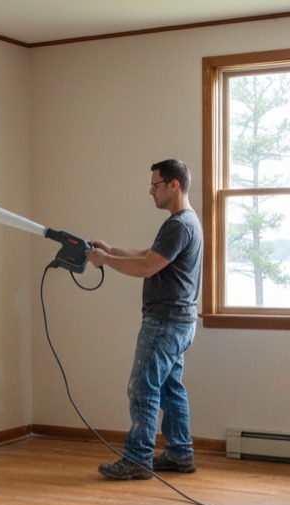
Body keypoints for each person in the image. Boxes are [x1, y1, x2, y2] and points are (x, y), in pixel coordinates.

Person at [84, 159, 203, 480]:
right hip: (180, 321)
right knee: (169, 388)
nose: (151, 191)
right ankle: (180, 454)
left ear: (174, 185)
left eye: (156, 185)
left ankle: (137, 459)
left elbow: (147, 268)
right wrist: (111, 249)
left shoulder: (179, 225)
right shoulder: (185, 222)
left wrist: (104, 260)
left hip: (165, 323)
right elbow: (147, 255)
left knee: (142, 387)